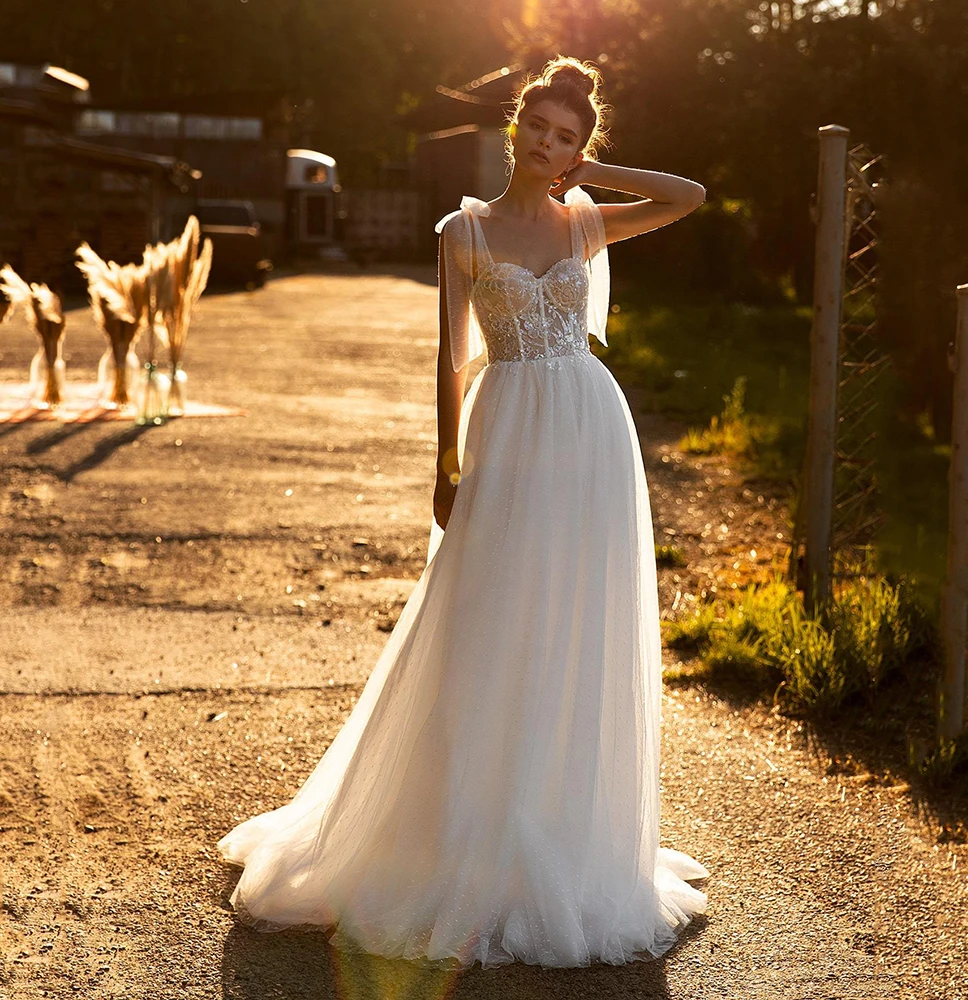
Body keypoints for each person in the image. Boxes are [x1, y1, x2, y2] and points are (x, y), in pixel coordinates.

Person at [218, 55, 711, 969]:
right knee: (485, 618)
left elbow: (689, 195)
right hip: (509, 429)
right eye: (539, 129)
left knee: (572, 624)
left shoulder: (586, 222)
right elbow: (449, 361)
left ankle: (561, 827)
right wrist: (446, 462)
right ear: (513, 129)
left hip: (593, 438)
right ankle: (456, 829)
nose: (548, 145)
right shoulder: (466, 231)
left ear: (577, 144)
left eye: (567, 136)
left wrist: (593, 174)